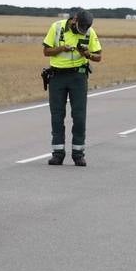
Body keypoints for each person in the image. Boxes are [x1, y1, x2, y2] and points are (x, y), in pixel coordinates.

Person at [42, 8, 102, 166]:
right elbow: (46, 51)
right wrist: (62, 48)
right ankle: (58, 153)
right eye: (80, 27)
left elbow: (99, 57)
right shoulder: (57, 27)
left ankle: (78, 153)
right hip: (57, 77)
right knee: (57, 115)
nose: (82, 31)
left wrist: (87, 55)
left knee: (79, 116)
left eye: (85, 29)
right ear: (74, 20)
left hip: (78, 77)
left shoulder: (89, 32)